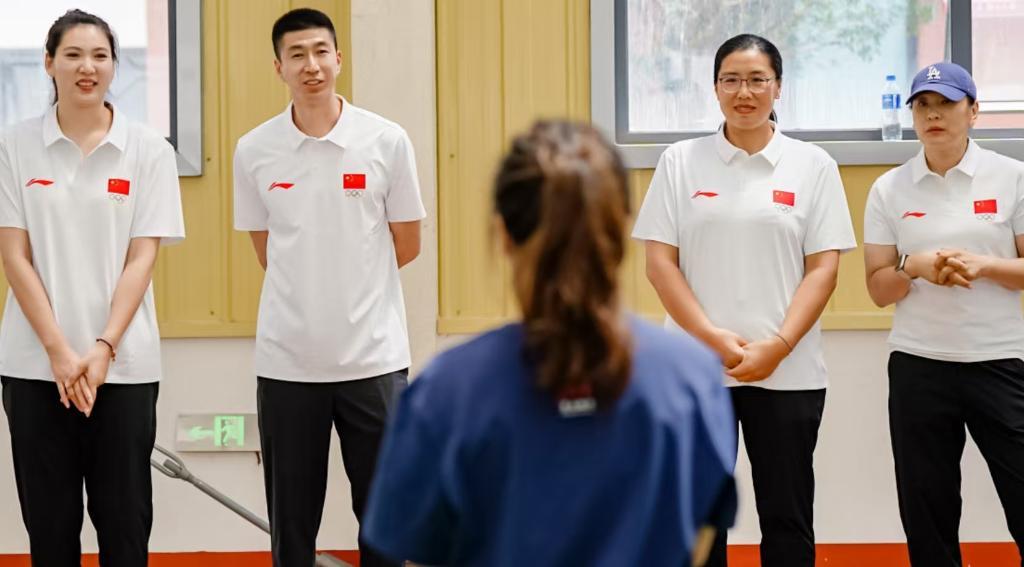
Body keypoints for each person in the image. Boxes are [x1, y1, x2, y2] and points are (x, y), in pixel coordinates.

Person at [362, 120, 737, 567]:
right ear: (620, 231)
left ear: (504, 234)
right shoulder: (690, 380)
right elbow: (699, 536)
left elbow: (419, 551)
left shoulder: (448, 390)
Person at [632, 33, 856, 567]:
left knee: (787, 515)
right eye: (731, 80)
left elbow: (823, 269)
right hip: (696, 371)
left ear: (778, 87)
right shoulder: (680, 161)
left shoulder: (813, 165)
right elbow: (660, 264)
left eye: (757, 80)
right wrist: (710, 338)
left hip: (788, 371)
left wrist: (779, 345)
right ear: (715, 88)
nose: (744, 92)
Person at [232, 8, 425, 567]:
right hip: (288, 366)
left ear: (339, 58)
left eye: (321, 51)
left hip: (374, 361)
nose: (311, 65)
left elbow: (407, 243)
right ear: (279, 68)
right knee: (292, 525)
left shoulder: (386, 140)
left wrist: (352, 286)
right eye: (296, 55)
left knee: (385, 519)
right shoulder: (254, 150)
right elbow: (268, 251)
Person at [0, 9, 185, 566]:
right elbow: (15, 256)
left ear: (114, 65)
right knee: (50, 528)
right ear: (48, 63)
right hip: (35, 367)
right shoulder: (14, 145)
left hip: (123, 369)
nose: (88, 67)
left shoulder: (148, 150)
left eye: (100, 56)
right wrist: (59, 351)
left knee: (125, 527)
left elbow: (141, 258)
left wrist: (103, 347)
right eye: (74, 55)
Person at [863, 61, 1024, 567]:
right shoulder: (889, 189)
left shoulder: (1012, 177)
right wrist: (913, 266)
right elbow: (879, 289)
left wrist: (985, 265)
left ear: (973, 111)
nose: (933, 115)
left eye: (947, 104)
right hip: (919, 365)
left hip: (999, 360)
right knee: (927, 510)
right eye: (923, 106)